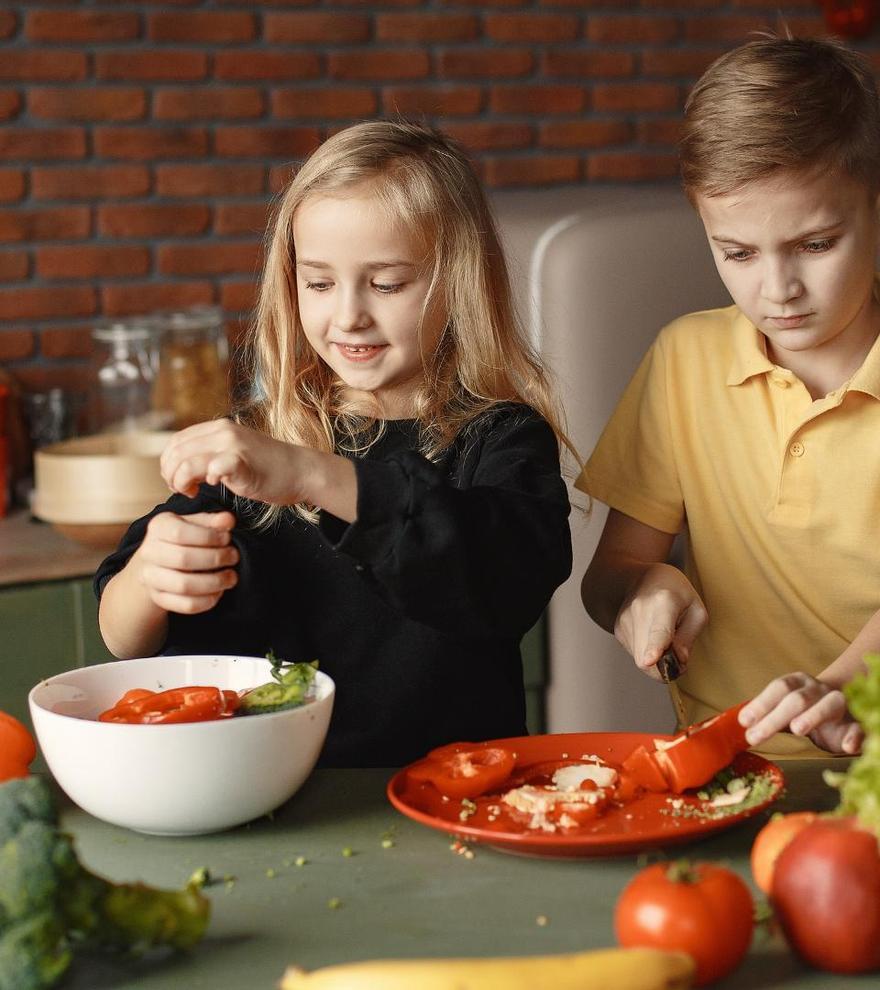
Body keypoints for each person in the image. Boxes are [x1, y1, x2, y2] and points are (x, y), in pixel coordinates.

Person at [94, 121, 574, 768]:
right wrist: (150, 578)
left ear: (457, 281)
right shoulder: (260, 442)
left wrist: (314, 477)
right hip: (283, 808)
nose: (348, 314)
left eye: (386, 284)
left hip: (453, 807)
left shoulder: (500, 439)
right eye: (319, 283)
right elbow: (123, 636)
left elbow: (507, 572)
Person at [578, 36, 880, 758]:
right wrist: (642, 593)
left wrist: (839, 686)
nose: (776, 291)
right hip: (723, 763)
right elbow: (608, 577)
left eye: (815, 244)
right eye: (738, 253)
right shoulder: (685, 359)